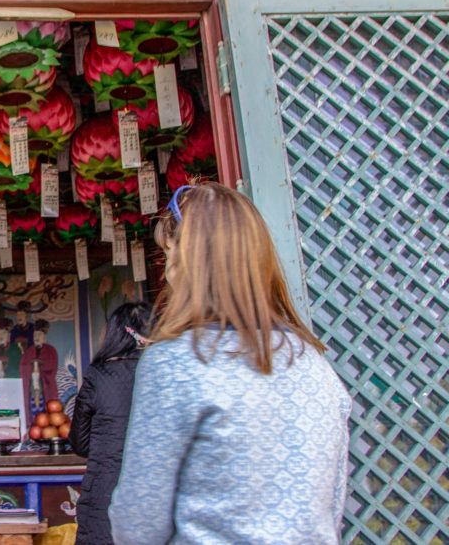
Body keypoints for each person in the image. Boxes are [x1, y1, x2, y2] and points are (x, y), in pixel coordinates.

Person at [109, 183, 351, 545]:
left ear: (185, 260)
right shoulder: (314, 364)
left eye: (168, 254)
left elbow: (139, 522)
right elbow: (332, 506)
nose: (166, 271)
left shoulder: (177, 360)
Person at [67, 301, 152, 545]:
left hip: (106, 492)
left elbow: (80, 444)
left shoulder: (99, 375)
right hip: (155, 493)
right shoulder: (168, 373)